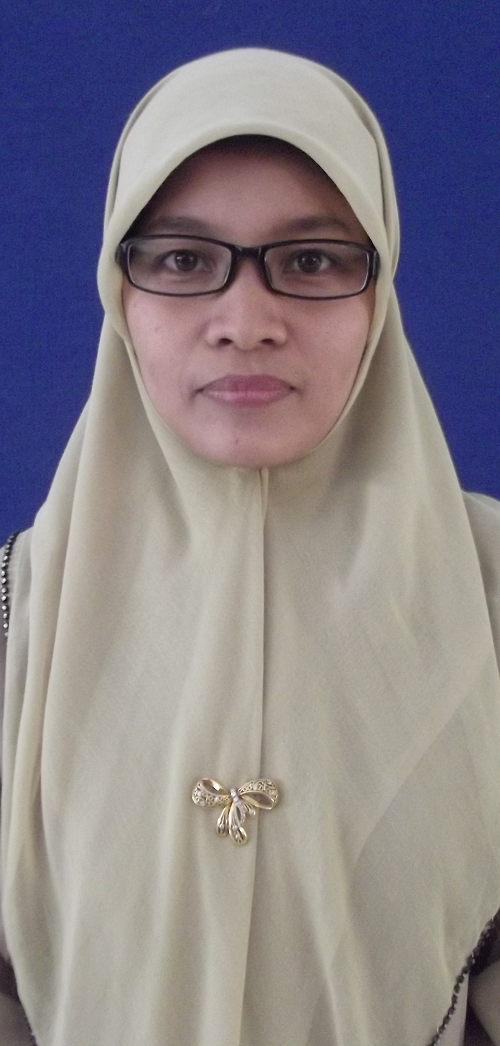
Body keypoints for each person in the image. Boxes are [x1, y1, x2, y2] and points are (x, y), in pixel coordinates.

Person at [1, 46, 500, 1046]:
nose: (244, 321)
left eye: (310, 261)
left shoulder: (484, 587)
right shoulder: (19, 609)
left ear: (378, 292)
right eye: (183, 261)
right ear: (119, 295)